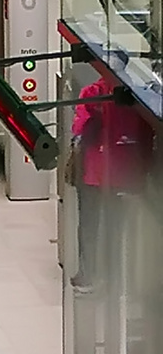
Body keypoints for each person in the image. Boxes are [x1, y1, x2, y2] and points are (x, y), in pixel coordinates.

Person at [69, 75, 154, 292]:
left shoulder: (91, 93)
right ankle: (115, 277)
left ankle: (88, 276)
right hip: (123, 174)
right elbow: (145, 136)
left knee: (89, 224)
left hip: (93, 173)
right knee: (115, 226)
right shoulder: (136, 95)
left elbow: (80, 129)